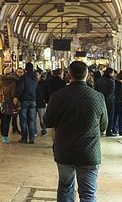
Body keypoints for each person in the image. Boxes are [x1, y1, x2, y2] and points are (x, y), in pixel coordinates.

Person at [44, 61, 108, 202]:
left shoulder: (57, 96)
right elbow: (104, 125)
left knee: (66, 187)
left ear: (69, 75)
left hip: (65, 151)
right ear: (87, 75)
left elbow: (47, 122)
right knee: (88, 193)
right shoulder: (98, 97)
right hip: (89, 152)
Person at [15, 62, 38, 144]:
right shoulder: (35, 77)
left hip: (24, 100)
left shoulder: (24, 77)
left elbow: (21, 88)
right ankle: (32, 138)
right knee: (31, 120)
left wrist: (16, 96)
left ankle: (24, 138)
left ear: (26, 69)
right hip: (33, 100)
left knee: (23, 120)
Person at [0, 66, 19, 144]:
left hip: (0, 102)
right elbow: (13, 94)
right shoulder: (13, 81)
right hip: (8, 103)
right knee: (7, 121)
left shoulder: (0, 80)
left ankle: (2, 136)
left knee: (2, 120)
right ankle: (5, 137)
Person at [94, 67, 116, 137]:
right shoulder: (111, 81)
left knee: (100, 115)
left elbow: (95, 90)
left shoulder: (99, 80)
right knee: (110, 116)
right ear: (110, 73)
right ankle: (108, 131)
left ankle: (99, 130)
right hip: (109, 101)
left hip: (99, 100)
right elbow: (111, 92)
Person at [35, 70, 48, 136]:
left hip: (41, 102)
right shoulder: (32, 82)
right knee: (33, 118)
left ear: (40, 75)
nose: (36, 76)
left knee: (42, 118)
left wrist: (45, 100)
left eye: (37, 75)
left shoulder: (43, 82)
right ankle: (34, 131)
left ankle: (44, 129)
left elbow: (46, 92)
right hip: (33, 101)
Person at [12, 67, 24, 134]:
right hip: (15, 98)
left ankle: (15, 127)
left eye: (21, 72)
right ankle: (15, 127)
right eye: (19, 72)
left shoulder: (23, 79)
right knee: (15, 114)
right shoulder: (15, 80)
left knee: (17, 114)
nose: (20, 73)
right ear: (16, 72)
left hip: (20, 98)